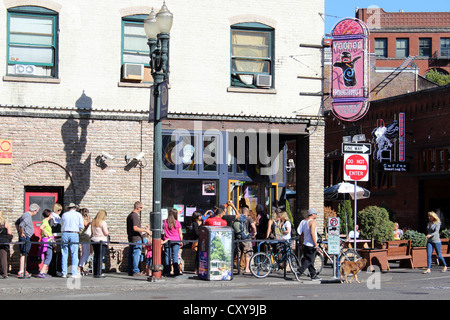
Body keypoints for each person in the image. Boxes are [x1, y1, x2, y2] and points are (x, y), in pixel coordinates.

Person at [15, 203, 39, 279]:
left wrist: (19, 232)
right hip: (26, 237)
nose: (36, 213)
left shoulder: (24, 214)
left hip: (25, 237)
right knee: (24, 254)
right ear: (34, 211)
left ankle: (23, 270)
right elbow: (21, 225)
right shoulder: (28, 216)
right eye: (37, 211)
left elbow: (16, 222)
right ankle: (21, 271)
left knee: (24, 254)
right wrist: (21, 233)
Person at [296, 208, 321, 281]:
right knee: (309, 260)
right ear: (312, 214)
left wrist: (301, 243)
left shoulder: (303, 222)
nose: (316, 215)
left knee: (310, 260)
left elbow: (300, 233)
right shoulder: (312, 222)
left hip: (305, 244)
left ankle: (313, 275)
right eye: (316, 214)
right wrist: (315, 244)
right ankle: (299, 272)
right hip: (311, 244)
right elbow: (312, 233)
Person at [126, 201, 150, 276]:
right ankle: (135, 271)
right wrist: (145, 230)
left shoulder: (129, 215)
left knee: (131, 255)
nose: (141, 210)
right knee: (136, 254)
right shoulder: (135, 216)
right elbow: (135, 228)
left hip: (131, 238)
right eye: (141, 208)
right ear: (137, 207)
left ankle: (131, 271)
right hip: (136, 239)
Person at [61, 203, 84, 278]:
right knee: (74, 253)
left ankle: (64, 272)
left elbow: (62, 224)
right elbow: (81, 226)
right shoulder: (78, 215)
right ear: (75, 208)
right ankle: (74, 272)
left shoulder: (64, 214)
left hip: (65, 233)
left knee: (64, 253)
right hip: (74, 233)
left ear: (68, 208)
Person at [235, 206, 256, 274]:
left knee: (238, 253)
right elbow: (253, 226)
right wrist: (254, 233)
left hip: (238, 238)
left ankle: (238, 269)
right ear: (247, 212)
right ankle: (247, 268)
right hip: (246, 238)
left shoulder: (238, 218)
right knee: (247, 252)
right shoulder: (249, 218)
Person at [163, 208, 183, 276]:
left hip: (167, 240)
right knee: (175, 256)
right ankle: (176, 271)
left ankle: (166, 270)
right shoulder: (177, 223)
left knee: (167, 256)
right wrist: (181, 241)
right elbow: (180, 233)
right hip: (176, 240)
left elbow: (164, 231)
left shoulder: (165, 222)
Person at [91, 209, 109, 278]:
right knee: (100, 257)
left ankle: (95, 272)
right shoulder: (103, 222)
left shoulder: (94, 222)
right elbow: (105, 232)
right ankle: (99, 273)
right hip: (101, 241)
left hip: (94, 240)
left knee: (96, 256)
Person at [37, 209, 54, 278]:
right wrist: (45, 233)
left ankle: (43, 272)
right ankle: (42, 271)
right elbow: (41, 227)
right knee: (49, 256)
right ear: (49, 214)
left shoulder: (46, 221)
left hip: (48, 240)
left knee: (48, 255)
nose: (52, 215)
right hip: (47, 241)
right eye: (51, 214)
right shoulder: (45, 221)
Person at [78, 208, 91, 276]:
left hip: (82, 237)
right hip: (85, 237)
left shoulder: (79, 219)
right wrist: (89, 220)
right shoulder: (82, 219)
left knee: (84, 253)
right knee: (86, 253)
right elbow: (87, 226)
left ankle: (81, 268)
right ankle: (80, 267)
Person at [0, 211, 12, 279]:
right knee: (3, 258)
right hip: (3, 242)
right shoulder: (5, 222)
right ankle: (5, 273)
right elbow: (9, 233)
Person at [189, 211, 202, 275]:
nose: (201, 217)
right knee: (197, 256)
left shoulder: (202, 222)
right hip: (197, 240)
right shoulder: (194, 223)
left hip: (202, 240)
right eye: (200, 216)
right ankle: (196, 269)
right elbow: (196, 233)